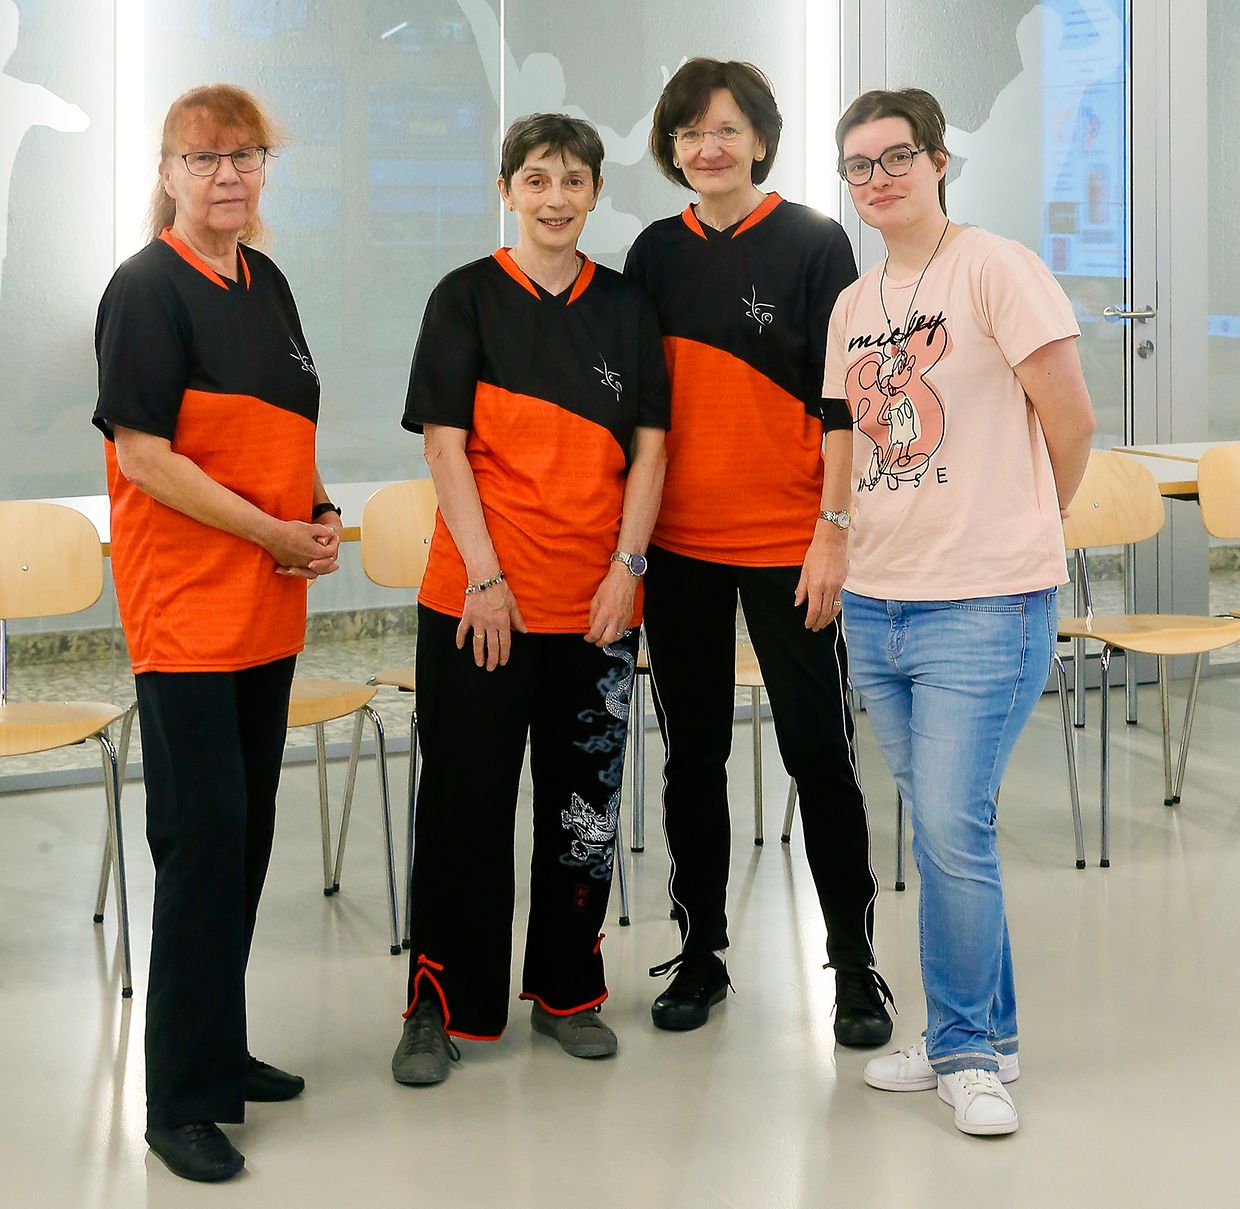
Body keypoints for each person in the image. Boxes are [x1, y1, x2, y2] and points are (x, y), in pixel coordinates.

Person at [825, 88, 1094, 1136]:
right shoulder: (855, 302)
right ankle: (985, 1035)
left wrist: (1028, 524)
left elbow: (1070, 420)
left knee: (946, 823)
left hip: (983, 601)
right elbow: (848, 437)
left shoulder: (996, 268)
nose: (878, 177)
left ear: (938, 160)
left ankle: (966, 1050)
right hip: (876, 601)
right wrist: (836, 541)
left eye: (897, 156)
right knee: (948, 828)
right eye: (859, 165)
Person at [93, 85, 340, 1182]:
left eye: (246, 155)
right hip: (187, 611)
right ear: (168, 172)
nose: (228, 174)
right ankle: (180, 1102)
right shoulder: (146, 289)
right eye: (204, 158)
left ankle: (218, 1047)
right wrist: (272, 532)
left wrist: (315, 511)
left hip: (264, 607)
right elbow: (144, 456)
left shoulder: (266, 281)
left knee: (244, 837)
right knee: (201, 844)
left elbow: (283, 429)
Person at [391, 113, 668, 1084]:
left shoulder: (626, 307)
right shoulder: (463, 297)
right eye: (537, 180)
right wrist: (484, 576)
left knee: (583, 810)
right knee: (462, 809)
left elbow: (650, 453)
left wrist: (627, 568)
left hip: (595, 607)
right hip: (479, 606)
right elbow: (444, 446)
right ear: (506, 189)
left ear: (595, 193)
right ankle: (438, 1006)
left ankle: (568, 991)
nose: (556, 198)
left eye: (574, 181)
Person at [623, 58, 892, 1045]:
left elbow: (846, 402)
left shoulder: (815, 242)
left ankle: (853, 965)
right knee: (691, 756)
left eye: (727, 129)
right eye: (691, 132)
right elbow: (640, 407)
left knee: (819, 751)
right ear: (673, 149)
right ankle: (701, 952)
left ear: (762, 141)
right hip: (680, 548)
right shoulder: (654, 252)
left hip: (791, 544)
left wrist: (833, 531)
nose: (709, 147)